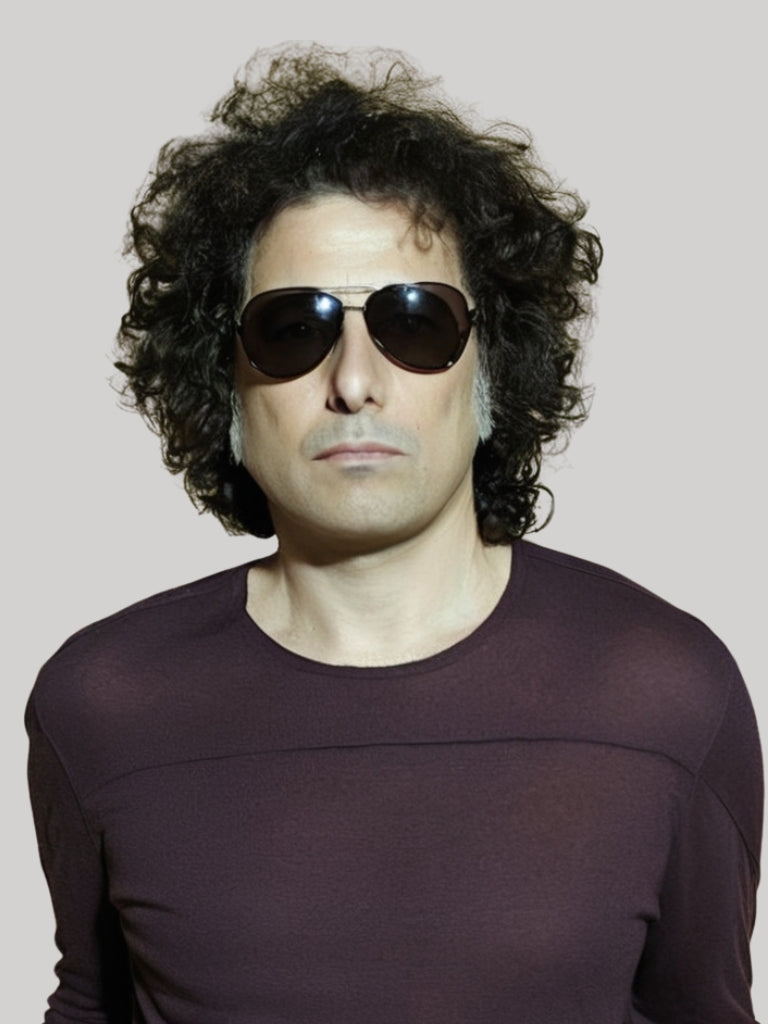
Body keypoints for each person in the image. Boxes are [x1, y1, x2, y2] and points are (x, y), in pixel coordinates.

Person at [26, 43, 762, 1024]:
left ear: (493, 371)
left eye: (415, 323)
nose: (355, 380)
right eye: (294, 328)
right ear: (225, 385)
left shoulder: (664, 690)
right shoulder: (103, 701)